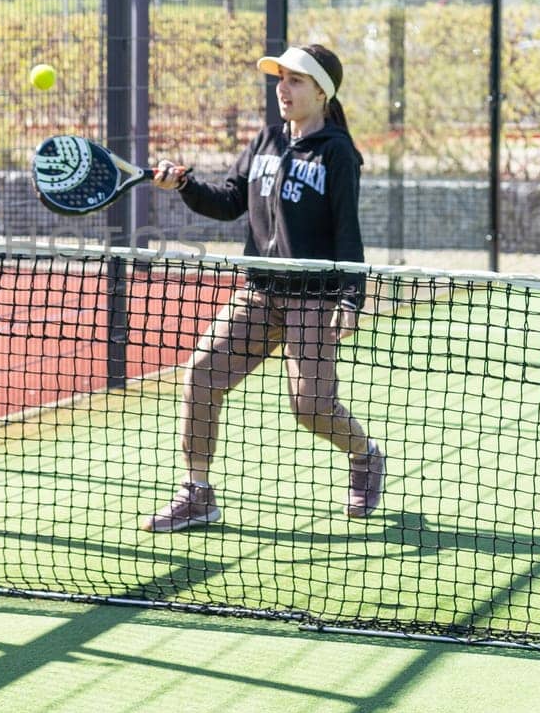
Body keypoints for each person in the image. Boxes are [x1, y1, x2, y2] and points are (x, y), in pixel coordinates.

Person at [141, 44, 384, 533]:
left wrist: (351, 297)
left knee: (311, 408)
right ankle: (197, 494)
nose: (282, 88)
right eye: (281, 79)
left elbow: (347, 231)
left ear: (321, 91)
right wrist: (184, 185)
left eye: (295, 80)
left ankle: (365, 455)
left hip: (313, 299)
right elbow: (230, 202)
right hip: (259, 294)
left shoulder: (337, 153)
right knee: (202, 376)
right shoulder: (267, 140)